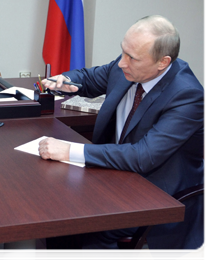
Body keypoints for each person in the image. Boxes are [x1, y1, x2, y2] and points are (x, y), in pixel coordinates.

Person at [40, 15, 208, 260]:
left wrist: (69, 150)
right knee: (58, 212)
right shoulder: (127, 67)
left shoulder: (187, 96)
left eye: (133, 58)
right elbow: (90, 77)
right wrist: (66, 80)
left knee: (90, 226)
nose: (122, 63)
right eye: (123, 52)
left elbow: (143, 156)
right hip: (117, 174)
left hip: (159, 188)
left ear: (163, 62)